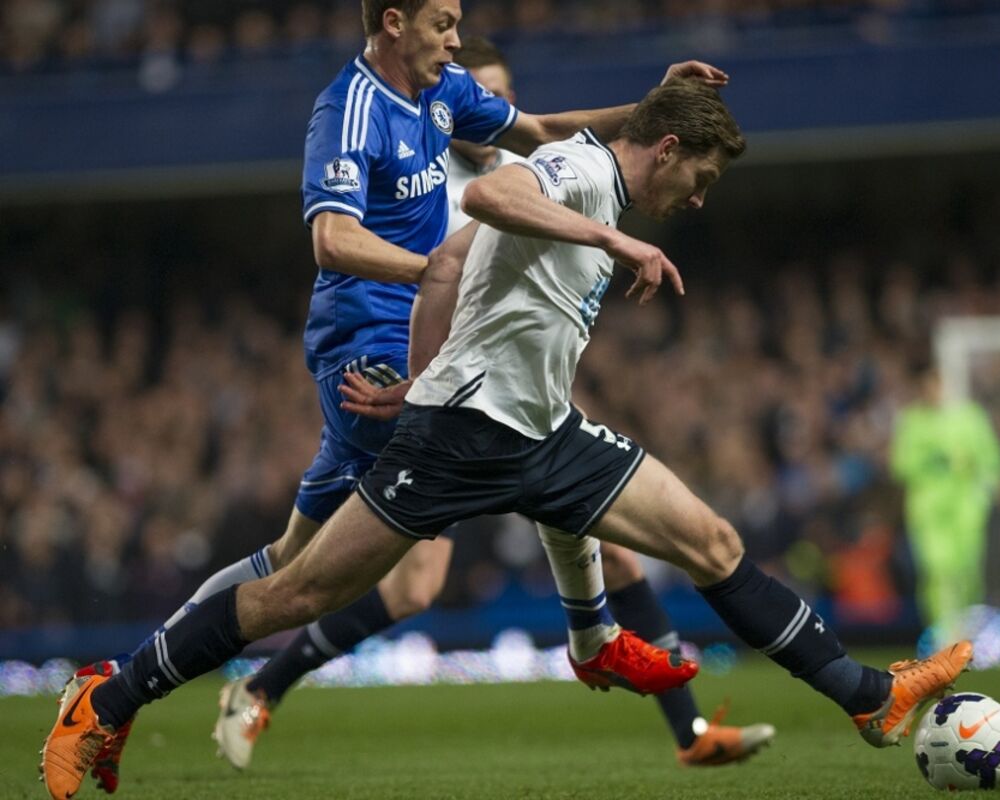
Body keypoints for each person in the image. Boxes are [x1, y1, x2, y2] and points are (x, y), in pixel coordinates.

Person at [41, 78, 973, 800]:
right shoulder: (582, 176)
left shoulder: (607, 177)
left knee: (713, 542)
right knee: (296, 593)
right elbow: (489, 197)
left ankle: (867, 697)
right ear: (670, 150)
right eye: (702, 178)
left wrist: (426, 365)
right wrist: (610, 246)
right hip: (458, 437)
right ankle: (104, 701)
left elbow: (453, 261)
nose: (698, 199)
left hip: (543, 434)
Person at [52, 1, 732, 793]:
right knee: (527, 469)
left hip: (424, 339)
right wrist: (443, 271)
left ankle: (120, 687)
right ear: (394, 22)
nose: (456, 40)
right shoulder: (349, 109)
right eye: (444, 23)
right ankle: (601, 645)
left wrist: (652, 109)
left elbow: (544, 128)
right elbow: (332, 239)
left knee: (300, 568)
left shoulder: (442, 93)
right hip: (372, 347)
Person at [211, 36, 775, 771]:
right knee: (368, 581)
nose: (493, 111)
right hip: (442, 399)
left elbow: (563, 134)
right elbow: (401, 261)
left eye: (501, 96)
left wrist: (658, 104)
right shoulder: (429, 184)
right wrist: (418, 375)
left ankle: (688, 730)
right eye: (479, 95)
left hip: (511, 400)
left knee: (606, 550)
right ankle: (235, 681)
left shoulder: (527, 169)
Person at [890, 361, 1000, 649]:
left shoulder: (970, 417)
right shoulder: (912, 421)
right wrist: (935, 459)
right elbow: (900, 465)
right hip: (928, 510)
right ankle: (942, 634)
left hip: (966, 508)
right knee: (936, 571)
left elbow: (991, 461)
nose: (934, 391)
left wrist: (983, 494)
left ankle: (968, 632)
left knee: (967, 570)